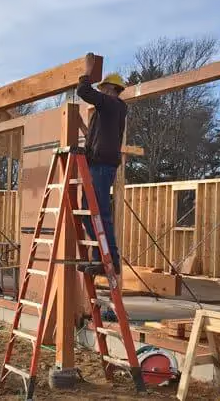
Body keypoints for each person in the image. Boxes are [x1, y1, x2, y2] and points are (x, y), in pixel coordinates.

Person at [76, 52, 128, 276]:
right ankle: (100, 257)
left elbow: (84, 91)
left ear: (110, 89)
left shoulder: (113, 104)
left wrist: (87, 71)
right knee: (87, 211)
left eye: (103, 88)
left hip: (102, 166)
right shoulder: (107, 110)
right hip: (97, 163)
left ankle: (111, 261)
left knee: (101, 212)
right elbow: (99, 137)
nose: (101, 91)